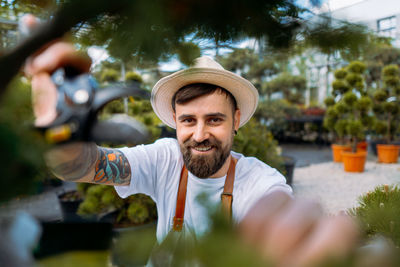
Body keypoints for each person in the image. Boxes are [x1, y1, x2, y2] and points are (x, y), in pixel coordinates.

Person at [24, 16, 359, 266]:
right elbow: (83, 167)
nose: (199, 135)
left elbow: (277, 217)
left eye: (214, 119)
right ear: (175, 122)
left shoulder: (261, 182)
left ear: (236, 120)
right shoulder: (164, 160)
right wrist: (62, 131)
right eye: (188, 120)